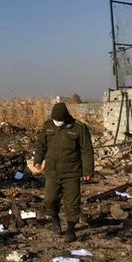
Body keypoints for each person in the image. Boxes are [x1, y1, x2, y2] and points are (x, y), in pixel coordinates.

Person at [33, 102, 94, 243]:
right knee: (50, 199)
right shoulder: (48, 126)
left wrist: (88, 170)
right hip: (52, 172)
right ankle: (55, 218)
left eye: (59, 120)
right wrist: (38, 159)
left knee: (72, 202)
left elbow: (86, 150)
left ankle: (71, 229)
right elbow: (41, 145)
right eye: (55, 120)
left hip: (71, 172)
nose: (57, 123)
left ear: (66, 117)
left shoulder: (79, 128)